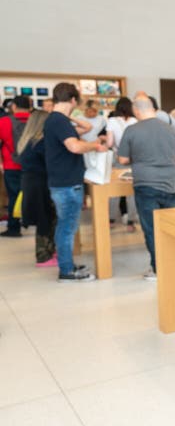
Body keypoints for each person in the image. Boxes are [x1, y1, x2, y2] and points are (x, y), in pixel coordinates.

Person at [44, 83, 108, 282]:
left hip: (61, 181)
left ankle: (67, 264)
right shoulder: (58, 121)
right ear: (73, 100)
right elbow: (74, 146)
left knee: (65, 226)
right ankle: (66, 271)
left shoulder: (56, 120)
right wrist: (95, 146)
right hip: (66, 183)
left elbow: (86, 127)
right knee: (67, 228)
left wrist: (66, 113)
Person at [116, 96, 175, 280]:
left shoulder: (132, 130)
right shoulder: (170, 128)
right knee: (169, 228)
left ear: (136, 110)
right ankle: (169, 266)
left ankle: (158, 269)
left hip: (146, 184)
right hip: (169, 184)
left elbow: (122, 159)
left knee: (151, 229)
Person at [17, 110, 57, 266]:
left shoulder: (27, 141)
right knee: (46, 218)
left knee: (43, 218)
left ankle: (45, 254)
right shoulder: (41, 143)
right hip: (41, 185)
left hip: (31, 183)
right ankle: (44, 256)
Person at [0, 95, 32, 237]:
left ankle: (14, 228)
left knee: (14, 196)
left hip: (11, 164)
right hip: (33, 165)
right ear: (30, 107)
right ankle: (30, 221)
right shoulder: (36, 121)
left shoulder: (4, 121)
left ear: (13, 106)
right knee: (31, 195)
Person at [106, 97, 138, 231]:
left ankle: (111, 220)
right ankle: (131, 222)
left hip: (117, 157)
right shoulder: (135, 121)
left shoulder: (112, 121)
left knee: (115, 190)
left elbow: (109, 143)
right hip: (133, 158)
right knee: (131, 191)